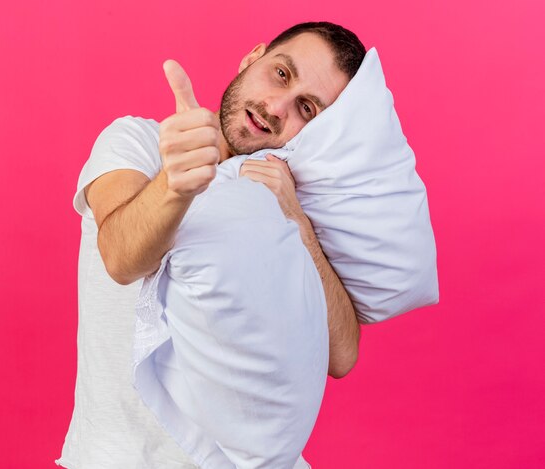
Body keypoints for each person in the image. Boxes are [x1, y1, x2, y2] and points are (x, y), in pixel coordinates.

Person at [56, 21, 366, 469]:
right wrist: (176, 186)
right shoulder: (139, 142)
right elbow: (121, 259)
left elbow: (342, 355)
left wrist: (296, 220)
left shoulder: (287, 203)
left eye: (307, 109)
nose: (277, 108)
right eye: (281, 73)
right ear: (252, 58)